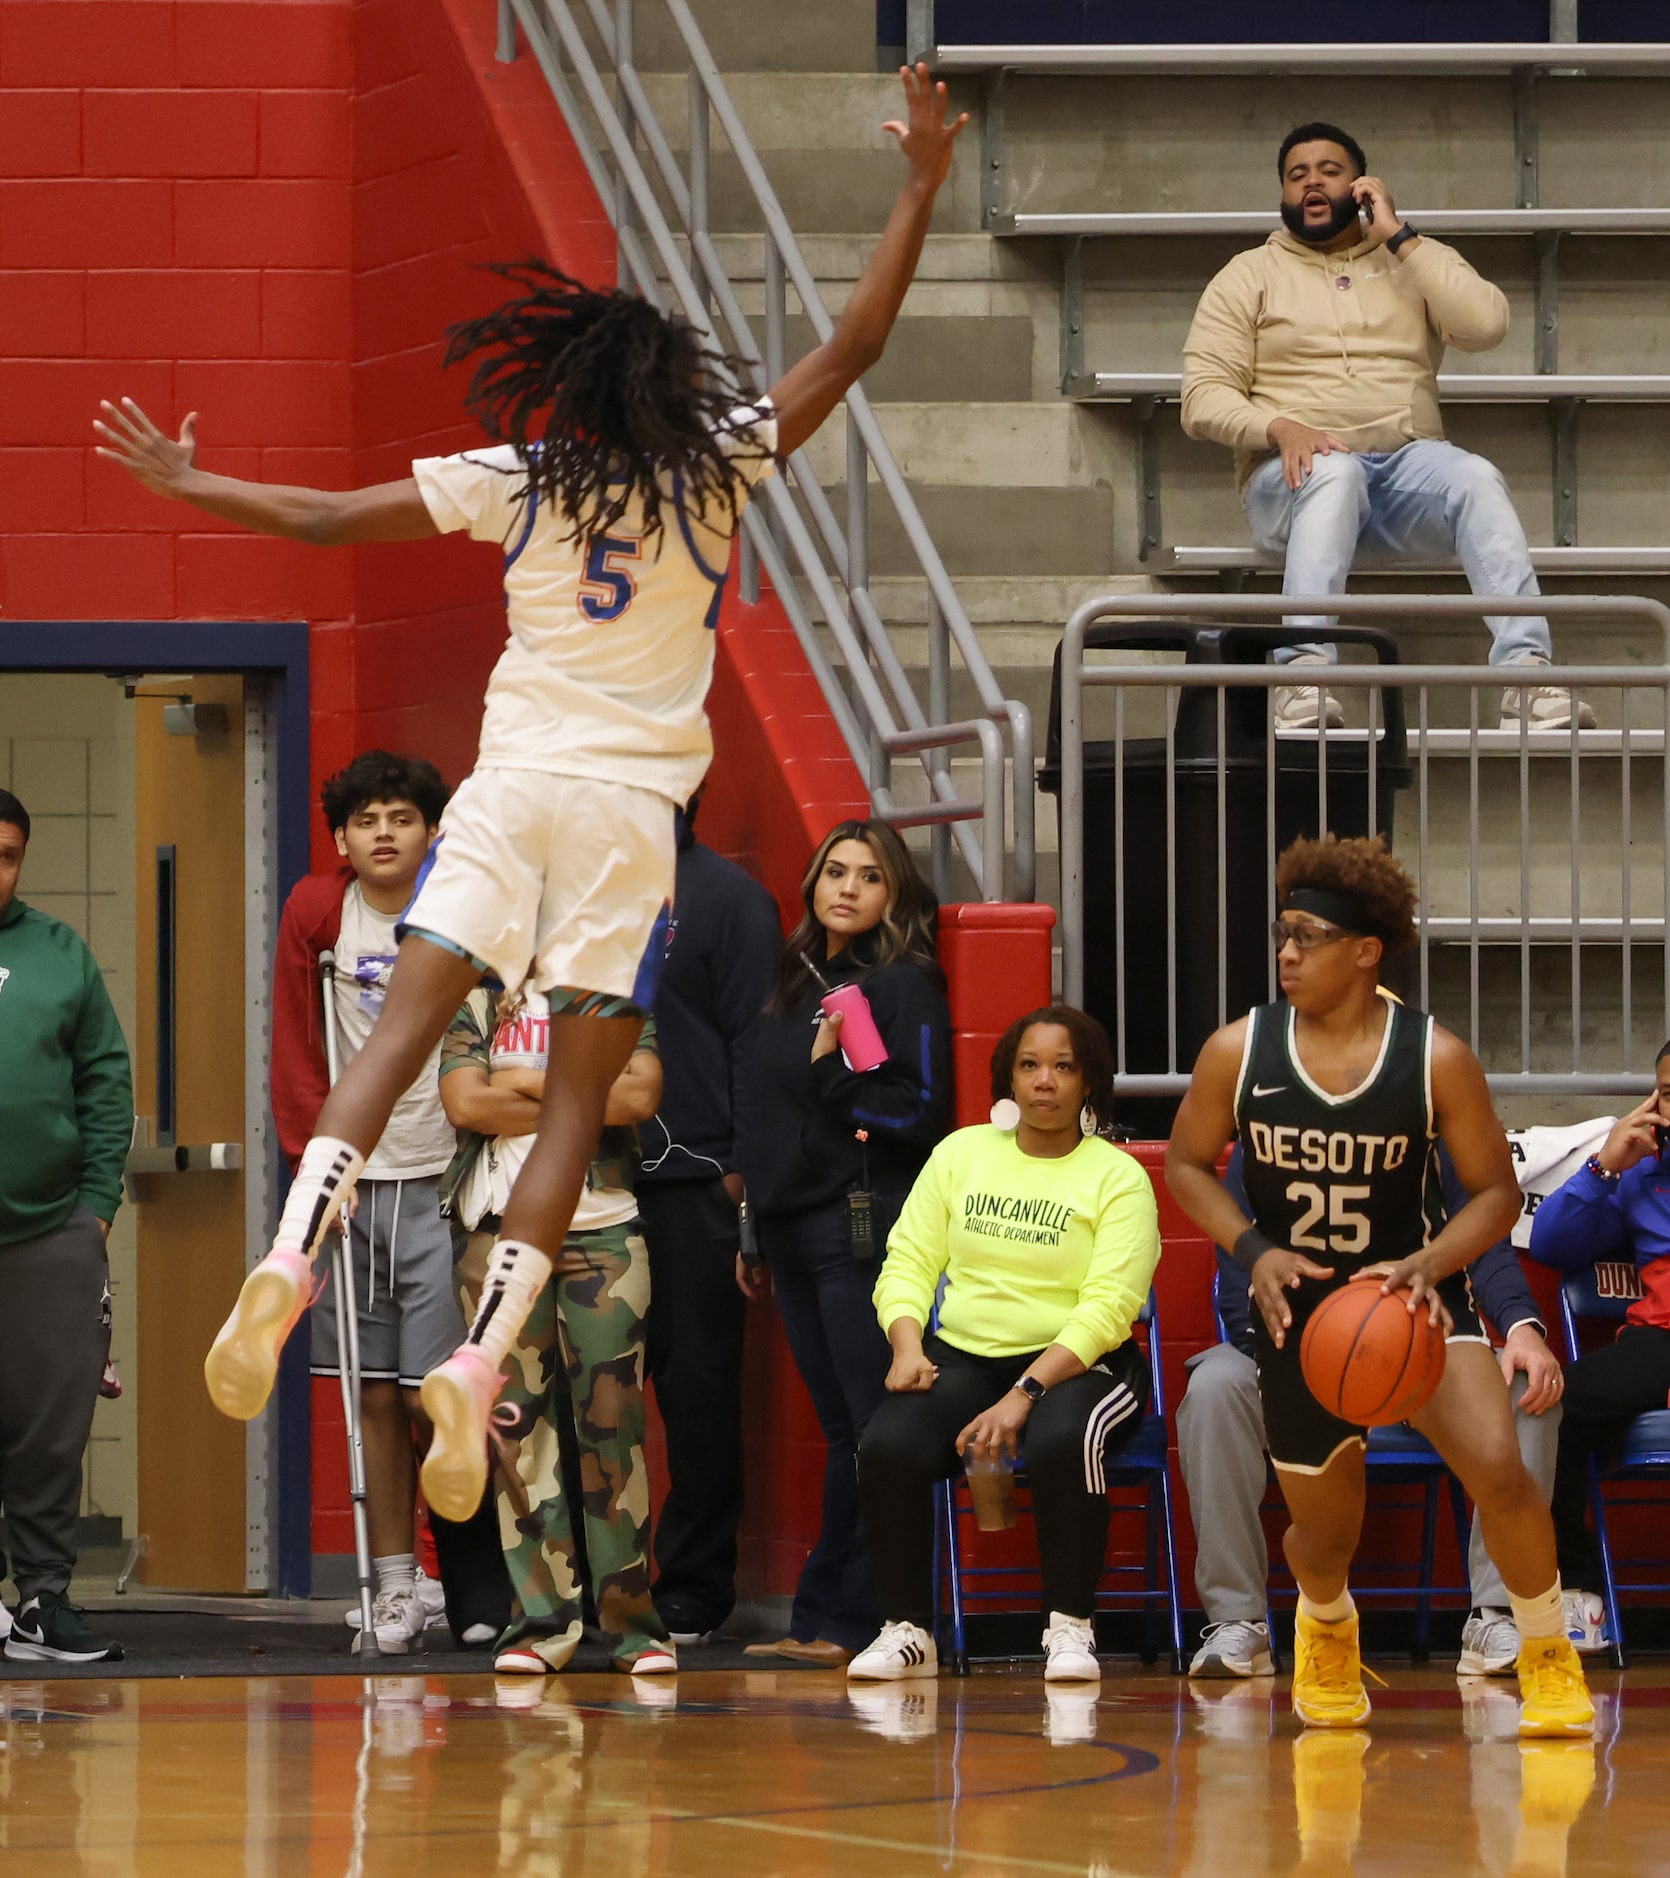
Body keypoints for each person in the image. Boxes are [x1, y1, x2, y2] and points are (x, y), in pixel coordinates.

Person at [96, 63, 971, 1525]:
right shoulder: (717, 468)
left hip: (508, 790)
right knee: (573, 1111)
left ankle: (283, 1262)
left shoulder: (524, 471)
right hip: (629, 818)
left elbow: (323, 519)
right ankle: (485, 1351)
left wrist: (195, 489)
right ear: (669, 388)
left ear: (565, 385)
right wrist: (920, 182)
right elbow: (854, 343)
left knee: (396, 1040)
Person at [1164, 832, 1593, 1735]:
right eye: (1282, 933)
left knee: (1503, 1475)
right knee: (1326, 1530)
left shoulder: (1435, 1058)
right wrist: (1253, 1248)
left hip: (1415, 1306)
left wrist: (1431, 1264)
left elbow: (1495, 1194)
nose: (1286, 952)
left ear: (1364, 952)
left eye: (1307, 936)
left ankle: (1547, 1651)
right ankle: (1326, 1627)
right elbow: (1188, 1165)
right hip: (1303, 1316)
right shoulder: (1237, 1051)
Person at [1181, 120, 1591, 734]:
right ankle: (1303, 677)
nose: (1312, 184)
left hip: (1401, 474)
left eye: (1330, 171)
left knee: (1475, 477)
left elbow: (1486, 326)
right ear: (1283, 197)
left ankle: (1527, 678)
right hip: (1290, 484)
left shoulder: (1410, 259)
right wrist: (1279, 427)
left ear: (1363, 186)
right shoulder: (1247, 274)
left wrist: (1399, 235)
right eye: (1297, 176)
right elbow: (1201, 397)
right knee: (1335, 472)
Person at [270, 749, 508, 1653]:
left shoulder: (461, 910)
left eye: (401, 818)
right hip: (358, 1187)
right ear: (341, 837)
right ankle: (397, 1587)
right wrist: (315, 1172)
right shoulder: (317, 910)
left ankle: (466, 1582)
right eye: (365, 820)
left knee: (436, 1397)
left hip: (444, 1180)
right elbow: (296, 1045)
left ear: (431, 831)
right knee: (371, 1393)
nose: (383, 832)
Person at [849, 1007, 1161, 1684]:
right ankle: (906, 1631)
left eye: (1063, 1066)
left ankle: (1071, 1627)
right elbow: (906, 1261)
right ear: (1008, 1078)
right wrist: (907, 1344)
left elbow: (1108, 1310)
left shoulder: (1117, 1177)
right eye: (1029, 1065)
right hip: (967, 1356)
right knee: (887, 1443)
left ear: (1088, 1084)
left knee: (1060, 1439)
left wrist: (1024, 1396)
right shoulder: (960, 1154)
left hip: (1086, 1365)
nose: (1044, 1081)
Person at [1181, 1141, 1565, 1681]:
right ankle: (1236, 1621)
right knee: (1214, 1388)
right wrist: (1303, 1359)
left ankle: (1498, 1613)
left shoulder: (1433, 1116)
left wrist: (1523, 1327)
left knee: (1528, 1384)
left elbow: (1486, 1245)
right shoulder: (1265, 1121)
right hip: (1297, 1347)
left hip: (1418, 1342)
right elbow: (1239, 1273)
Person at [734, 819, 951, 1665]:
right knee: (843, 1432)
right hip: (788, 1228)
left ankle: (863, 1621)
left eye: (869, 875)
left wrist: (835, 1075)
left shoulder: (903, 983)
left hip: (859, 1227)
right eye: (835, 871)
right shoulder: (790, 979)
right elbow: (763, 1113)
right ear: (812, 883)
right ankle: (826, 1620)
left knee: (872, 1431)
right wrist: (752, 1226)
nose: (848, 887)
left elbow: (920, 1112)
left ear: (893, 893)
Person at [439, 982, 669, 1675]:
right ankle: (542, 1627)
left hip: (605, 1238)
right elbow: (466, 1103)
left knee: (615, 1432)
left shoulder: (615, 1003)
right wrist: (574, 1095)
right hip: (497, 1241)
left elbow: (639, 1099)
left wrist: (520, 1081)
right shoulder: (474, 1004)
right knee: (516, 1436)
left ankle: (632, 1628)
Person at [634, 791, 781, 1644]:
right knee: (588, 1392)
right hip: (590, 1178)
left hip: (695, 1182)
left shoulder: (728, 899)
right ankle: (584, 1583)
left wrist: (739, 1175)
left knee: (694, 1392)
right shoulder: (580, 886)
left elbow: (755, 1044)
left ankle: (692, 1586)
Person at [0, 788, 132, 1664]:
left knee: (50, 1427)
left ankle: (44, 1599)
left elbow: (107, 1081)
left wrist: (94, 1211)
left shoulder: (58, 952)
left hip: (49, 1230)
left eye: (8, 853)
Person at [1528, 1052, 1670, 1655]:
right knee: (1555, 1401)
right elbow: (1552, 1242)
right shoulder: (1643, 1172)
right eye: (1667, 1092)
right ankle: (1580, 1592)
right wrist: (1606, 1165)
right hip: (1659, 1341)